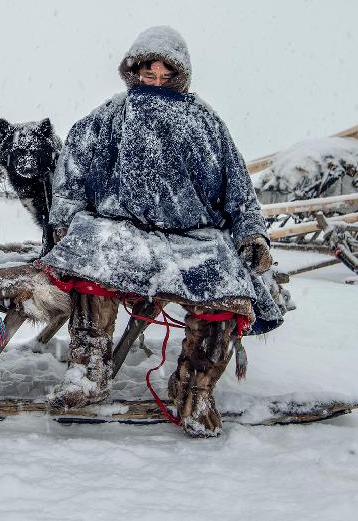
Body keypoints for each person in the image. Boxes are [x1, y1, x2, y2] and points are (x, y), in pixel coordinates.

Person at [40, 26, 283, 438]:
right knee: (91, 259)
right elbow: (72, 173)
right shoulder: (107, 117)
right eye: (147, 72)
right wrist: (66, 219)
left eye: (164, 74)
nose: (154, 81)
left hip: (192, 238)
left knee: (227, 286)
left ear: (179, 75)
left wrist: (251, 235)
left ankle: (194, 388)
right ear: (132, 71)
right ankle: (88, 369)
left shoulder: (206, 122)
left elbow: (238, 191)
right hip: (120, 230)